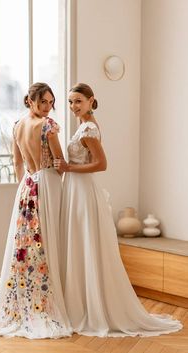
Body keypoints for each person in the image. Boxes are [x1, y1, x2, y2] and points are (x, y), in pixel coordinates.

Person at [54, 83, 182, 337]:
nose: (73, 106)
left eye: (78, 101)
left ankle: (90, 307)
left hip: (82, 189)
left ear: (91, 101)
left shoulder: (89, 129)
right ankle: (78, 302)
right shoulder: (83, 126)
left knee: (85, 244)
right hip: (75, 189)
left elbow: (101, 164)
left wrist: (68, 168)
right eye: (70, 102)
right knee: (78, 244)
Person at [0, 82, 72, 339]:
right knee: (48, 242)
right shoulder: (48, 126)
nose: (48, 107)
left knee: (30, 245)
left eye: (50, 102)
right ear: (30, 101)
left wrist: (27, 184)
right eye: (43, 102)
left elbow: (17, 162)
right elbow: (59, 163)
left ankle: (34, 299)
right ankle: (49, 301)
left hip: (27, 185)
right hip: (47, 183)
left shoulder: (17, 126)